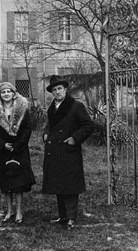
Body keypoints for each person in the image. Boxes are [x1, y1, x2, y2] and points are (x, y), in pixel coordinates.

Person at [42, 75, 94, 230]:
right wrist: (45, 133)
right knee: (59, 183)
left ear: (65, 90)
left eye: (59, 89)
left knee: (70, 185)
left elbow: (88, 126)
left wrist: (74, 139)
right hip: (55, 151)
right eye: (54, 90)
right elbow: (51, 124)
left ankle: (71, 217)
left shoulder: (75, 106)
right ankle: (63, 216)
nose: (57, 92)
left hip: (69, 151)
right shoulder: (52, 107)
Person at [0, 82, 36, 224]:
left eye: (9, 91)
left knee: (18, 183)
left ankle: (19, 211)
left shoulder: (22, 109)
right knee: (6, 182)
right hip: (3, 151)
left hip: (19, 150)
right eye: (3, 92)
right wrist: (3, 145)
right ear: (0, 95)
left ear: (14, 93)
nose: (6, 94)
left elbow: (28, 129)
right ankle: (9, 211)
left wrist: (17, 145)